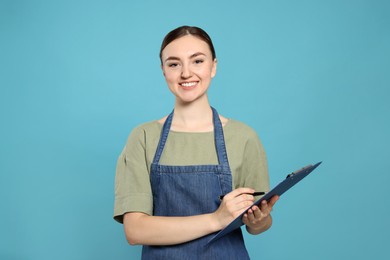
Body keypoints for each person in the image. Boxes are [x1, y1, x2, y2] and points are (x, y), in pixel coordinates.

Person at [113, 25, 279, 259]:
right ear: (163, 71)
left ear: (214, 66)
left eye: (197, 61)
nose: (186, 73)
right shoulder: (143, 137)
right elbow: (135, 230)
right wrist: (215, 219)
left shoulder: (244, 137)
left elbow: (258, 225)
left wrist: (259, 220)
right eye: (174, 64)